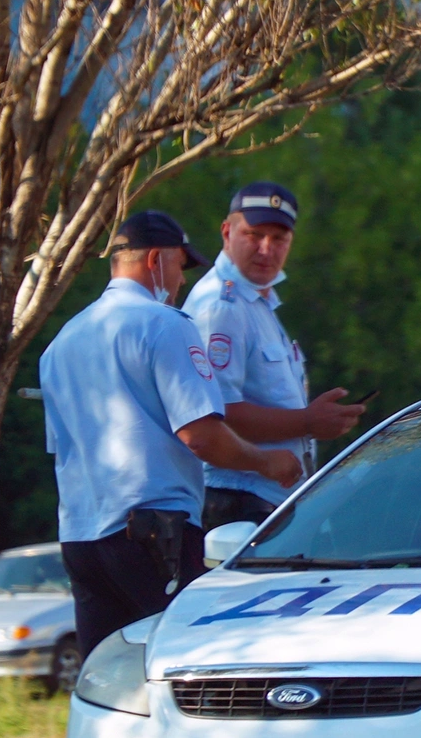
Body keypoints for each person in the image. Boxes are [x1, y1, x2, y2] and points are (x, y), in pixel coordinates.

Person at [40, 210, 302, 656]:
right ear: (157, 260)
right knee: (189, 662)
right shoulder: (165, 325)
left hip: (81, 536)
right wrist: (267, 461)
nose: (180, 281)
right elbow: (200, 435)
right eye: (180, 266)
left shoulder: (63, 341)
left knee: (110, 674)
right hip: (153, 529)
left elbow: (61, 448)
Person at [183, 181, 367, 529]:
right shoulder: (222, 306)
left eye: (279, 239)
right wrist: (308, 422)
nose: (266, 249)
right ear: (227, 232)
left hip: (267, 498)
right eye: (254, 235)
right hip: (236, 498)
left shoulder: (256, 301)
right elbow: (215, 413)